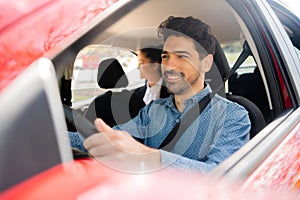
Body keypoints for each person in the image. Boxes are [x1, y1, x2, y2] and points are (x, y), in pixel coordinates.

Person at [69, 16, 251, 173]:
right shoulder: (153, 110)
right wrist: (53, 136)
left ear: (206, 63)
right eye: (165, 56)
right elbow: (113, 138)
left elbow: (221, 175)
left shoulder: (233, 115)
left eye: (182, 56)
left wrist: (148, 156)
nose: (169, 66)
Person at [129, 46, 171, 116]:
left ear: (155, 65)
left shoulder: (173, 94)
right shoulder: (135, 94)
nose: (138, 67)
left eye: (141, 63)